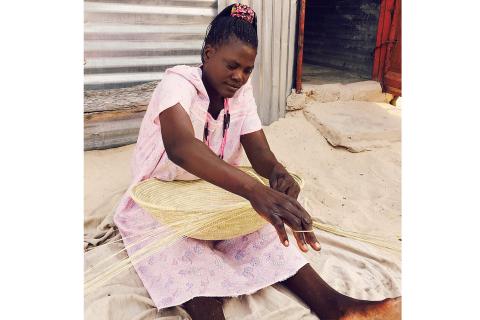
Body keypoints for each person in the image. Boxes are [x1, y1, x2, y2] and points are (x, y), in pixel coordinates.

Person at [113, 4, 400, 319]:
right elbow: (181, 146)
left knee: (269, 238)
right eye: (232, 65)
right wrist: (254, 191)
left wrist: (278, 175)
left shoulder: (240, 93)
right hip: (160, 206)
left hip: (218, 196)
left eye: (247, 69)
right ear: (208, 54)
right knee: (188, 265)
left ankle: (336, 306)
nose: (239, 77)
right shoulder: (178, 84)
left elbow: (259, 153)